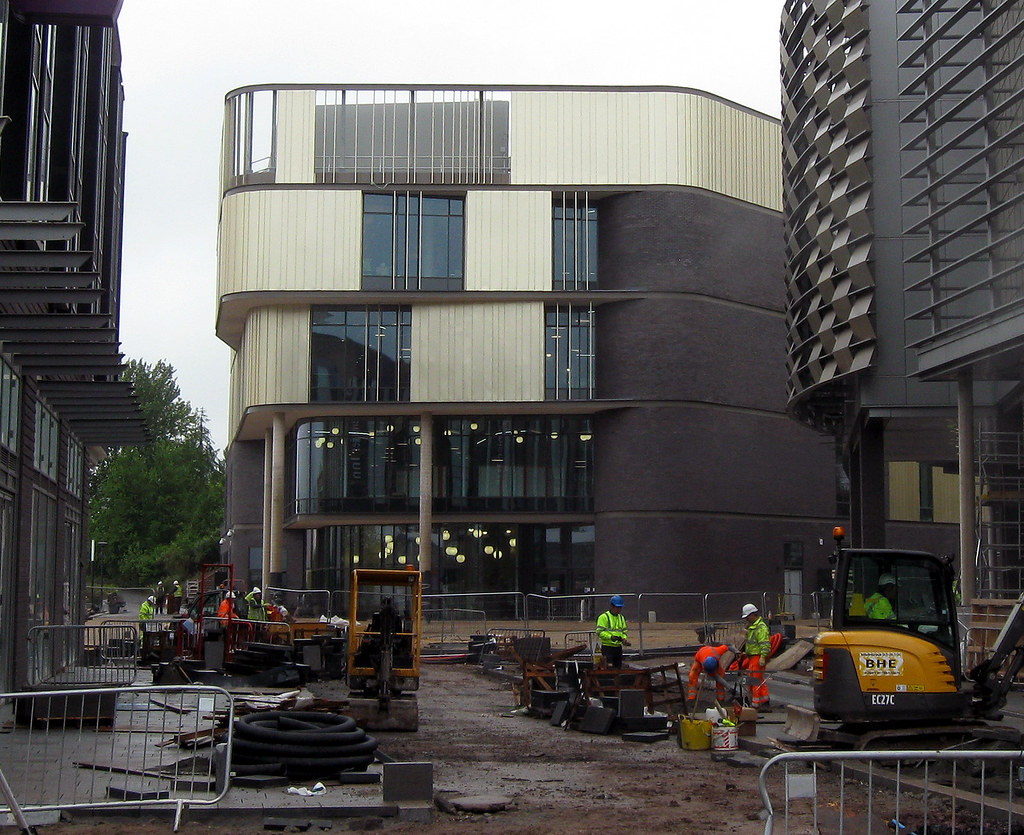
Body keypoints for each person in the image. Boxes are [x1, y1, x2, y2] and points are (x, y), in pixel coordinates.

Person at [731, 603, 771, 709]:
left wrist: (763, 657)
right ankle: (765, 701)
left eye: (747, 617)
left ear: (753, 615)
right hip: (752, 657)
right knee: (757, 680)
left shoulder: (760, 628)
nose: (746, 619)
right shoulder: (753, 627)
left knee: (755, 681)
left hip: (757, 657)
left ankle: (755, 704)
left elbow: (765, 644)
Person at [687, 644, 730, 709]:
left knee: (721, 677)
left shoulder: (718, 651)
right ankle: (691, 699)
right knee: (692, 676)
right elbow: (716, 677)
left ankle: (721, 700)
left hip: (710, 657)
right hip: (700, 657)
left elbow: (729, 646)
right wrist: (729, 687)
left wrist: (737, 652)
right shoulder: (701, 661)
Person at [595, 594, 630, 669]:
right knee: (609, 668)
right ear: (611, 606)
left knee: (618, 668)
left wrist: (624, 638)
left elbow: (624, 631)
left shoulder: (621, 617)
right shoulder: (603, 617)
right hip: (608, 648)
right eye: (617, 607)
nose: (619, 610)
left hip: (618, 648)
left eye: (620, 608)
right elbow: (599, 632)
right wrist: (610, 637)